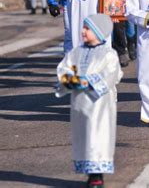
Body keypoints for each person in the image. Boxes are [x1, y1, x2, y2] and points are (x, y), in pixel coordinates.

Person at [54, 13, 122, 188]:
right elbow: (65, 69)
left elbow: (112, 74)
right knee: (83, 137)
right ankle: (88, 170)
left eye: (87, 29)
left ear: (99, 32)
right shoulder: (76, 52)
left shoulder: (108, 54)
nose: (83, 32)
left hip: (98, 105)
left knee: (97, 137)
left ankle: (97, 175)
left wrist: (89, 82)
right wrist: (72, 80)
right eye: (83, 28)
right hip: (80, 103)